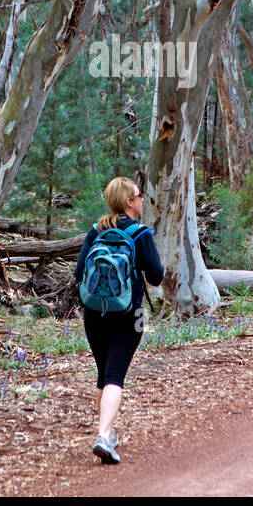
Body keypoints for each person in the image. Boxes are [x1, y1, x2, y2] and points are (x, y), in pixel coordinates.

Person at [74, 176, 165, 464]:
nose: (141, 200)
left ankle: (108, 434)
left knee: (104, 374)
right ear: (128, 201)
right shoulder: (141, 234)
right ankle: (103, 436)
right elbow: (157, 276)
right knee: (115, 376)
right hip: (131, 315)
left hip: (94, 314)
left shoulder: (95, 230)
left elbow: (78, 275)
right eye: (138, 195)